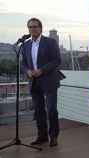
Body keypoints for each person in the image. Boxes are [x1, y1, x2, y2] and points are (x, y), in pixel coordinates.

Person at [21, 18, 63, 147]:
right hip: (34, 81)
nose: (32, 29)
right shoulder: (26, 45)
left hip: (49, 80)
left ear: (40, 28)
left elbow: (57, 60)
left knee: (51, 110)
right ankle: (42, 136)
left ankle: (54, 136)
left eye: (35, 26)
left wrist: (42, 70)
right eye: (30, 27)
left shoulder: (50, 42)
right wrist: (27, 71)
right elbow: (23, 63)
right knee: (39, 110)